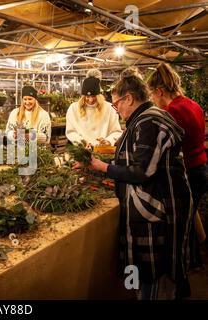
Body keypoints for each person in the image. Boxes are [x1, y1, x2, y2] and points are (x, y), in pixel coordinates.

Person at [75, 68, 193, 300]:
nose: (116, 109)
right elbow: (132, 159)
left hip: (158, 206)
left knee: (155, 271)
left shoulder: (148, 121)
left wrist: (103, 167)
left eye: (117, 103)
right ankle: (143, 292)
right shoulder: (143, 119)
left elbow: (142, 171)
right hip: (155, 203)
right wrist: (96, 165)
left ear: (128, 98)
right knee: (146, 269)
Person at [148, 62, 207, 269]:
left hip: (189, 171)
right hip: (201, 166)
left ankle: (189, 262)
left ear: (159, 91)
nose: (153, 101)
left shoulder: (173, 111)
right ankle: (195, 260)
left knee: (183, 221)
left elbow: (166, 146)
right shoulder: (192, 104)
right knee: (190, 217)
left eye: (152, 96)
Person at [66, 69, 122, 146]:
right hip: (81, 150)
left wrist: (108, 141)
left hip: (102, 150)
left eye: (93, 96)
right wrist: (81, 142)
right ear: (83, 95)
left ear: (99, 95)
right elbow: (70, 131)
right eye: (87, 96)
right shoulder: (74, 108)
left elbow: (116, 131)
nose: (90, 100)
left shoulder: (109, 108)